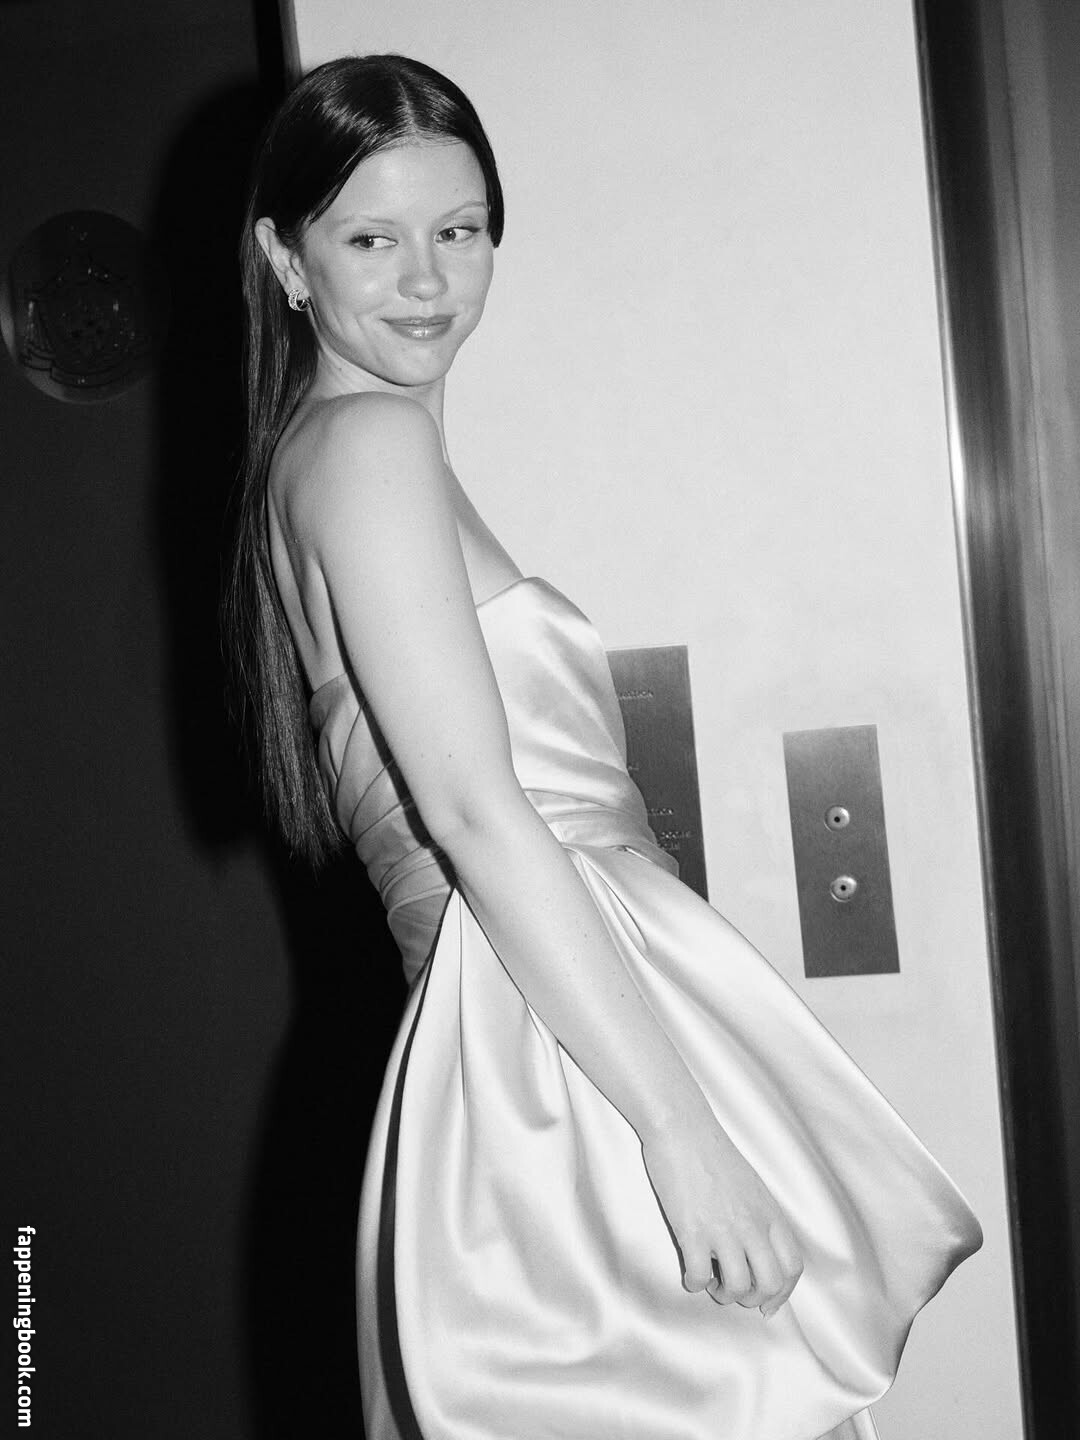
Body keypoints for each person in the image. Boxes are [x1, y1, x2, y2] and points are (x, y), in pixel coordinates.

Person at [226, 54, 982, 1440]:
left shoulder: (337, 453)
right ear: (286, 259)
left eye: (458, 230)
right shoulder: (368, 443)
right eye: (371, 239)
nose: (426, 279)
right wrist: (682, 1135)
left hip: (554, 1018)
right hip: (557, 1044)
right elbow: (476, 813)